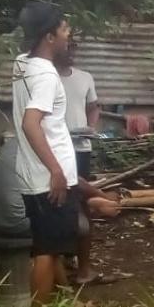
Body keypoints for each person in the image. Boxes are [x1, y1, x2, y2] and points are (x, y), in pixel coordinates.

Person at [11, 1, 80, 307]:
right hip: (49, 177)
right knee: (46, 252)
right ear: (49, 37)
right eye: (64, 29)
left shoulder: (21, 64)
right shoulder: (46, 77)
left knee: (51, 245)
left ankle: (68, 302)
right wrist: (56, 170)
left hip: (32, 174)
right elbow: (31, 123)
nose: (69, 33)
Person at [58, 40, 105, 283]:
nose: (71, 54)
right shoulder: (47, 78)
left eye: (73, 49)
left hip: (80, 147)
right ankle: (62, 259)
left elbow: (93, 107)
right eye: (67, 49)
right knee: (59, 201)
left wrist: (91, 126)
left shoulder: (85, 77)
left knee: (81, 201)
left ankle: (83, 265)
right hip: (55, 149)